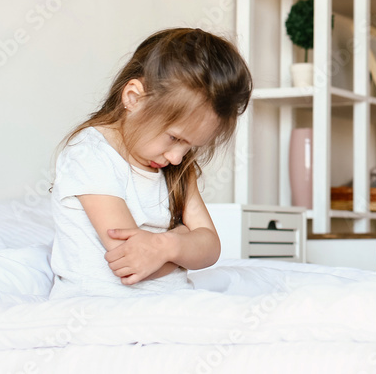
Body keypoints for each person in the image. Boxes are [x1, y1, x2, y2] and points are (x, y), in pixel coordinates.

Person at [48, 28, 252, 299]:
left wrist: (165, 246)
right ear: (133, 98)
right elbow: (130, 258)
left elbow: (211, 247)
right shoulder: (90, 155)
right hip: (101, 310)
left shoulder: (175, 166)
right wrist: (184, 241)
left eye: (191, 145)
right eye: (174, 137)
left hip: (169, 306)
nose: (178, 157)